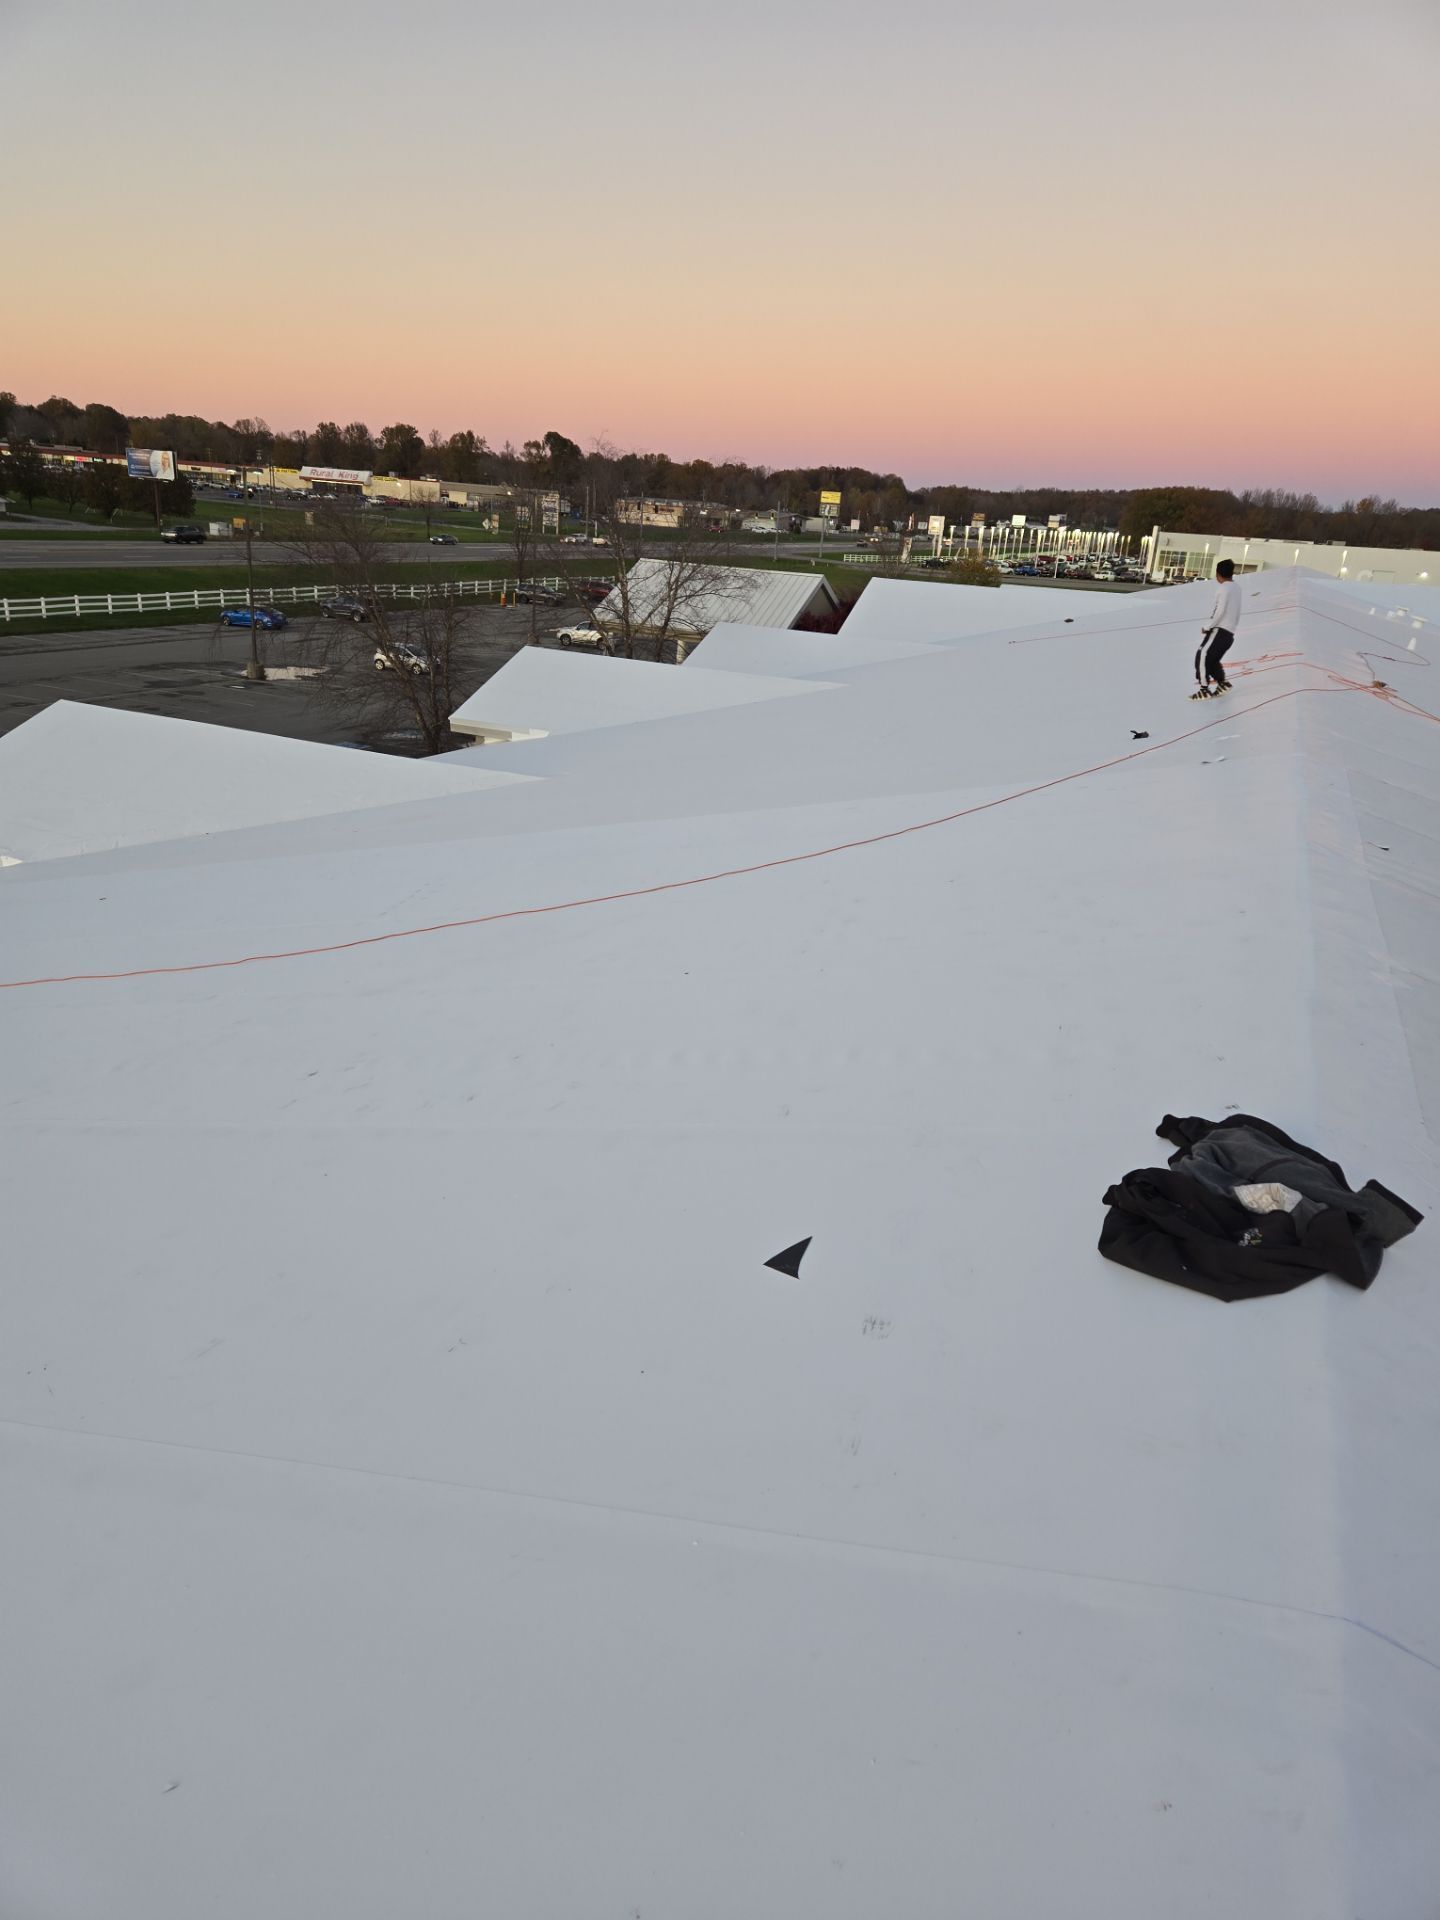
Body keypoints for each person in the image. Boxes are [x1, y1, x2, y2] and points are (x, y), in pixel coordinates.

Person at [1192, 559, 1241, 698]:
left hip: (1219, 630)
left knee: (1201, 655)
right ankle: (1222, 683)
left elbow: (1220, 611)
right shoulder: (1236, 588)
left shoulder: (1224, 588)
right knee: (1212, 660)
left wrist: (1208, 626)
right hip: (1229, 632)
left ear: (1218, 574)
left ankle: (1204, 689)